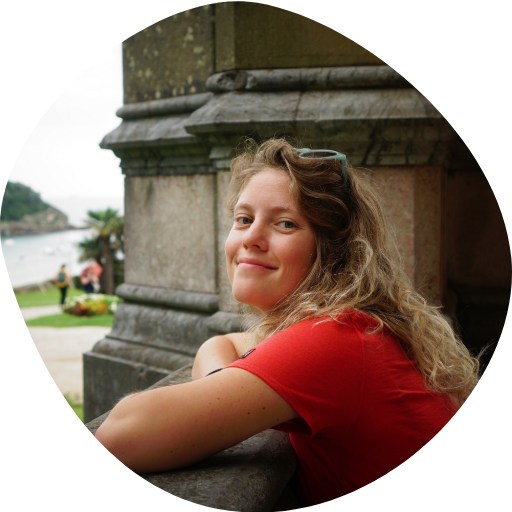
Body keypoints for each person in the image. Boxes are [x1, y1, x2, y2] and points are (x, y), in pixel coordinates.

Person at [95, 138, 485, 506]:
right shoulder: (354, 327)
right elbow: (225, 344)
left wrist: (221, 400)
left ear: (331, 251)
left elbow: (121, 435)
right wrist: (226, 393)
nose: (251, 238)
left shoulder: (335, 338)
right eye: (243, 219)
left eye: (285, 224)